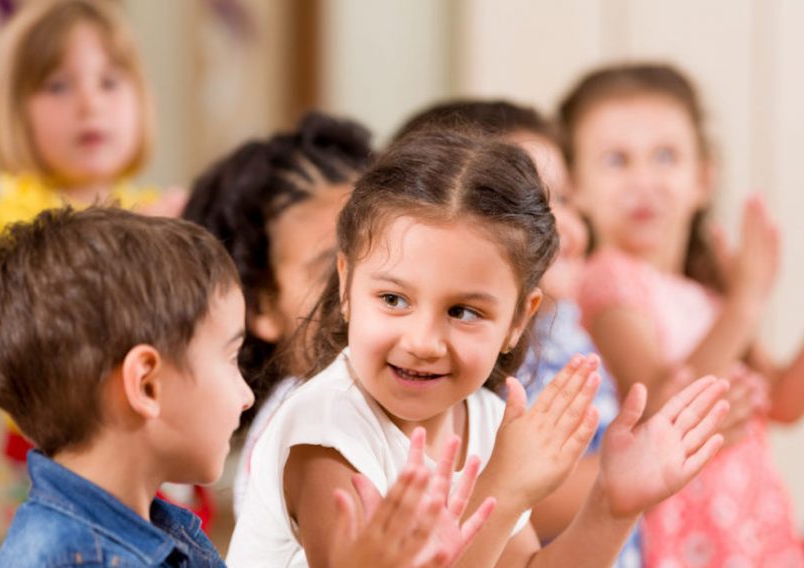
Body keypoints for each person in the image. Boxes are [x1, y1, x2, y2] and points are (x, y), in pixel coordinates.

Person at [227, 128, 731, 567]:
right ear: (346, 285)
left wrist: (613, 506)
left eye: (463, 312)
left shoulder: (487, 418)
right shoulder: (324, 433)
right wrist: (503, 489)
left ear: (517, 320)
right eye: (393, 298)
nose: (422, 342)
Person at [0, 206, 492, 567]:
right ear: (146, 384)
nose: (246, 395)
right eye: (230, 358)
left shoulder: (160, 530)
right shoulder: (66, 554)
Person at [560, 63, 804, 567]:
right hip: (683, 533)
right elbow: (657, 402)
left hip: (748, 522)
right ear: (576, 185)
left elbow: (783, 401)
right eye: (616, 160)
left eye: (665, 157)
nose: (644, 180)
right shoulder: (606, 282)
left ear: (703, 178)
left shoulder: (711, 291)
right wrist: (746, 302)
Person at [0, 1, 188, 553]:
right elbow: (65, 292)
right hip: (55, 468)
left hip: (154, 454)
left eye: (110, 82)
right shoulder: (13, 219)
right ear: (16, 112)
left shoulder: (159, 207)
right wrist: (145, 232)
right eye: (58, 86)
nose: (90, 103)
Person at [183, 111, 373, 514]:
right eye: (330, 268)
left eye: (379, 253)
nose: (372, 285)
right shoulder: (309, 427)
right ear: (260, 304)